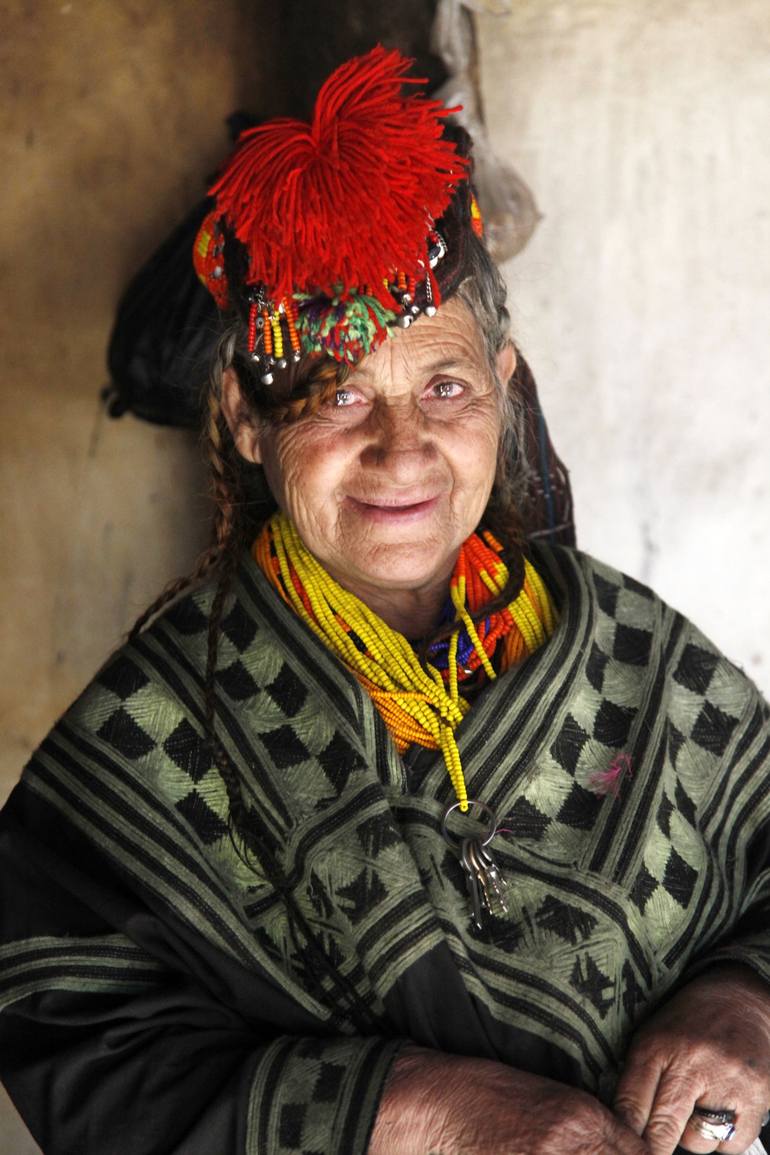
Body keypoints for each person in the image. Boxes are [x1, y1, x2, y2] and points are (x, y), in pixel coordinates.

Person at [2, 45, 770, 1155]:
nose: (399, 449)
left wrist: (743, 1001)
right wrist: (427, 1112)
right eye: (337, 392)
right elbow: (78, 1038)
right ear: (246, 419)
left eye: (444, 386)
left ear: (504, 391)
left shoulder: (636, 657)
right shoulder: (151, 739)